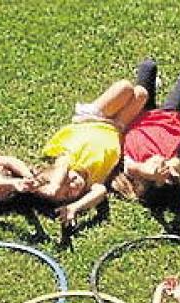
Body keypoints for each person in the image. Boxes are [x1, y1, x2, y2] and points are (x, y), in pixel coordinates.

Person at [32, 80, 146, 226]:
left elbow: (62, 166)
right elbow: (101, 192)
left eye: (66, 180)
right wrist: (74, 207)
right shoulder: (93, 183)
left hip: (93, 118)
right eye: (68, 193)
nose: (72, 185)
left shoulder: (69, 160)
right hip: (117, 128)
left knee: (125, 87)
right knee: (141, 94)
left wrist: (55, 185)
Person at [111, 59, 180, 203]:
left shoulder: (133, 162)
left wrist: (149, 172)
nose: (160, 166)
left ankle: (153, 82)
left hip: (140, 113)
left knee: (148, 66)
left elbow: (132, 169)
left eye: (155, 171)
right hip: (169, 118)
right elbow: (177, 163)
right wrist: (171, 171)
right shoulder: (169, 159)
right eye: (167, 176)